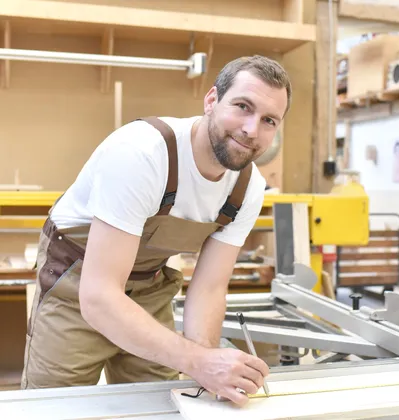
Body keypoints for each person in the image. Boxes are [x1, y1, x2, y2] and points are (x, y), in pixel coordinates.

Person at [21, 55, 291, 406]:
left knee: (163, 404)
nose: (252, 130)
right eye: (242, 106)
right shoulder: (142, 153)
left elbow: (209, 287)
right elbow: (99, 295)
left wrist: (206, 366)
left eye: (269, 120)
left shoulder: (247, 188)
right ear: (211, 100)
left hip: (150, 286)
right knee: (56, 407)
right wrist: (196, 361)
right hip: (76, 283)